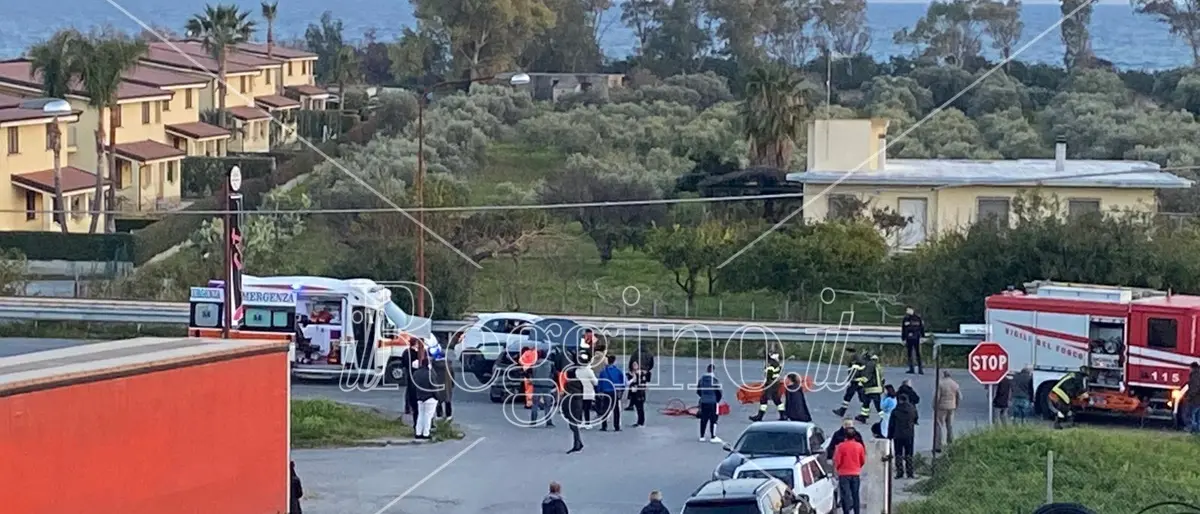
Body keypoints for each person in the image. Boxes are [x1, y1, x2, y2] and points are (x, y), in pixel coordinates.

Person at [833, 423, 866, 514]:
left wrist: (838, 469)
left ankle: (846, 511)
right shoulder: (859, 446)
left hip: (844, 474)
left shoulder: (841, 446)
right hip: (855, 473)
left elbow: (837, 460)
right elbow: (862, 460)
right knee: (855, 494)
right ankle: (856, 511)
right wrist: (857, 466)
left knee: (845, 495)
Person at [564, 351, 589, 454]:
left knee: (572, 424)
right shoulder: (580, 381)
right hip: (578, 403)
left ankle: (577, 443)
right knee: (573, 424)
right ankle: (578, 442)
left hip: (573, 404)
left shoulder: (570, 385)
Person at [889, 393, 918, 479]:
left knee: (898, 453)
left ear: (899, 400)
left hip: (898, 435)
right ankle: (910, 472)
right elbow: (916, 418)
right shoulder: (912, 409)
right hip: (909, 434)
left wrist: (890, 436)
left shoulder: (895, 411)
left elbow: (891, 425)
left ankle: (900, 472)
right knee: (909, 453)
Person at [750, 352, 785, 422]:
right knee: (776, 399)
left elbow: (769, 376)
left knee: (764, 399)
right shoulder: (777, 364)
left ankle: (760, 416)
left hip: (770, 384)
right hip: (776, 384)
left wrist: (765, 385)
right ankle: (783, 415)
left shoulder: (771, 365)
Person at [833, 349, 867, 419]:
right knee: (860, 397)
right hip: (857, 382)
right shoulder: (856, 360)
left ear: (851, 353)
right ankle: (843, 411)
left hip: (856, 382)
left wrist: (851, 381)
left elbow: (855, 372)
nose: (846, 355)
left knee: (849, 396)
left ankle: (842, 411)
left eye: (848, 353)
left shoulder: (855, 361)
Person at [411, 359, 439, 440]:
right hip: (430, 397)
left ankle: (418, 433)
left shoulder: (416, 373)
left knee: (421, 415)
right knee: (428, 416)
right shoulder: (430, 373)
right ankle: (426, 433)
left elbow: (414, 386)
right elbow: (434, 386)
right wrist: (437, 397)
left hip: (420, 397)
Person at [597, 355, 626, 431]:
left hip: (606, 392)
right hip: (614, 391)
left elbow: (600, 382)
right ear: (614, 361)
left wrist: (599, 391)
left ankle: (604, 426)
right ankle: (617, 426)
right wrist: (622, 390)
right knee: (616, 409)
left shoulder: (603, 372)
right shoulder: (618, 371)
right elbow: (623, 382)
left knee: (605, 409)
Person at [934, 370, 961, 451]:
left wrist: (935, 405)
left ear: (944, 375)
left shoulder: (941, 384)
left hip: (941, 407)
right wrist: (956, 405)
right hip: (952, 407)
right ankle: (950, 443)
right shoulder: (955, 384)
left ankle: (938, 445)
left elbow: (937, 396)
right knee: (950, 426)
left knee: (939, 425)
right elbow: (959, 397)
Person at [696, 364, 723, 443]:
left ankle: (702, 436)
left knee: (703, 419)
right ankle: (713, 436)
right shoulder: (715, 380)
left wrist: (703, 397)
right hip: (713, 402)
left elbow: (698, 391)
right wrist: (717, 400)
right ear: (713, 370)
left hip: (704, 402)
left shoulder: (701, 380)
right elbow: (719, 392)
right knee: (713, 419)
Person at [855, 354, 885, 424]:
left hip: (872, 388)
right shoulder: (878, 366)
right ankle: (863, 416)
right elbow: (882, 378)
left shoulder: (869, 365)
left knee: (877, 406)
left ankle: (885, 418)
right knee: (866, 402)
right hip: (877, 388)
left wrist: (858, 381)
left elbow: (866, 377)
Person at [530, 351, 556, 427]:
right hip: (547, 386)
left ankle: (533, 422)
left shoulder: (534, 364)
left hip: (536, 385)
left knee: (535, 404)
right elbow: (554, 374)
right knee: (547, 405)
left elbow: (529, 373)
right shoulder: (551, 364)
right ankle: (548, 422)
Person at [626, 345, 656, 411]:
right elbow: (651, 364)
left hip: (636, 372)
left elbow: (631, 362)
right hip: (645, 373)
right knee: (642, 387)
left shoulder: (635, 354)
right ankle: (641, 400)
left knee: (633, 388)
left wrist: (631, 371)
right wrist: (647, 370)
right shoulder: (649, 354)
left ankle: (631, 404)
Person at [901, 306, 925, 374]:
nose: (907, 311)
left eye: (909, 310)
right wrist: (903, 339)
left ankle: (920, 369)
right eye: (907, 310)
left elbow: (921, 328)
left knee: (918, 353)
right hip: (908, 338)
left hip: (916, 338)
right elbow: (903, 329)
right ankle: (911, 368)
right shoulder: (905, 319)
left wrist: (923, 337)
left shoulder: (917, 318)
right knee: (909, 354)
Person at [576, 358, 598, 429]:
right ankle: (587, 423)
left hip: (579, 391)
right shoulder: (589, 371)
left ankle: (579, 422)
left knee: (579, 408)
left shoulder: (577, 371)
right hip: (588, 392)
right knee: (587, 408)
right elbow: (595, 382)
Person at [627, 360, 648, 427]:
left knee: (640, 408)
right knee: (638, 408)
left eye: (636, 364)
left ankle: (641, 422)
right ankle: (639, 421)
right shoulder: (631, 374)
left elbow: (643, 383)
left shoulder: (641, 374)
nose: (634, 366)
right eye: (633, 365)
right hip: (634, 393)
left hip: (640, 393)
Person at [1186, 362, 1200, 433]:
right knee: (1197, 416)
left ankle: (1193, 430)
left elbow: (1195, 387)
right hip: (1197, 399)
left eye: (1190, 368)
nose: (1189, 370)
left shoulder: (1195, 375)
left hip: (1195, 399)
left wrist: (1189, 396)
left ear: (1193, 368)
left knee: (1191, 414)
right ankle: (1197, 430)